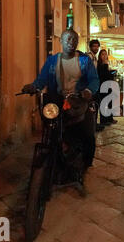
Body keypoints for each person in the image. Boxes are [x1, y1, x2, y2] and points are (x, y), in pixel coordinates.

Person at [22, 30, 100, 184]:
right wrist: (34, 86)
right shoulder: (52, 61)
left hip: (78, 103)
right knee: (51, 129)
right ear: (61, 41)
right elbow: (42, 79)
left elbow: (94, 79)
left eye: (74, 39)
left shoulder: (84, 60)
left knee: (89, 135)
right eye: (67, 39)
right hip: (56, 102)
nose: (71, 42)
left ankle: (85, 163)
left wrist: (88, 91)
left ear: (77, 42)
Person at [87, 39, 105, 132]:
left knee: (95, 104)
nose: (96, 48)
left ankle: (94, 123)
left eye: (97, 46)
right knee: (92, 104)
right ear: (90, 47)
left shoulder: (94, 58)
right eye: (94, 46)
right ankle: (92, 124)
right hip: (90, 85)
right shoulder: (89, 57)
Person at [97, 49, 118, 126]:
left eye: (105, 54)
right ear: (100, 56)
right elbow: (103, 75)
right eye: (103, 54)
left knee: (110, 103)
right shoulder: (99, 65)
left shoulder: (106, 64)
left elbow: (108, 74)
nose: (104, 56)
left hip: (109, 86)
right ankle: (104, 121)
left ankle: (109, 118)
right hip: (103, 86)